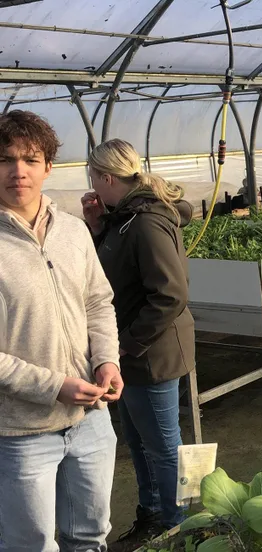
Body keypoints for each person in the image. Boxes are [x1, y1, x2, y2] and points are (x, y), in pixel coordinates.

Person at [0, 110, 123, 550]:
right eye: (6, 159)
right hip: (19, 432)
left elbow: (97, 302)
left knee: (90, 536)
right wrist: (55, 387)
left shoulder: (72, 231)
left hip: (91, 420)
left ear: (48, 167)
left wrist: (107, 360)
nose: (18, 171)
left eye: (31, 160)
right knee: (30, 544)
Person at [82, 139, 196, 544]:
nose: (92, 186)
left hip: (151, 354)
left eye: (93, 177)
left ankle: (179, 527)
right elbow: (108, 272)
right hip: (132, 352)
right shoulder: (124, 218)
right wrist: (97, 227)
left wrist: (127, 343)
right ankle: (153, 517)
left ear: (105, 177)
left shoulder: (145, 222)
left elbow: (169, 294)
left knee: (165, 446)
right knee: (141, 441)